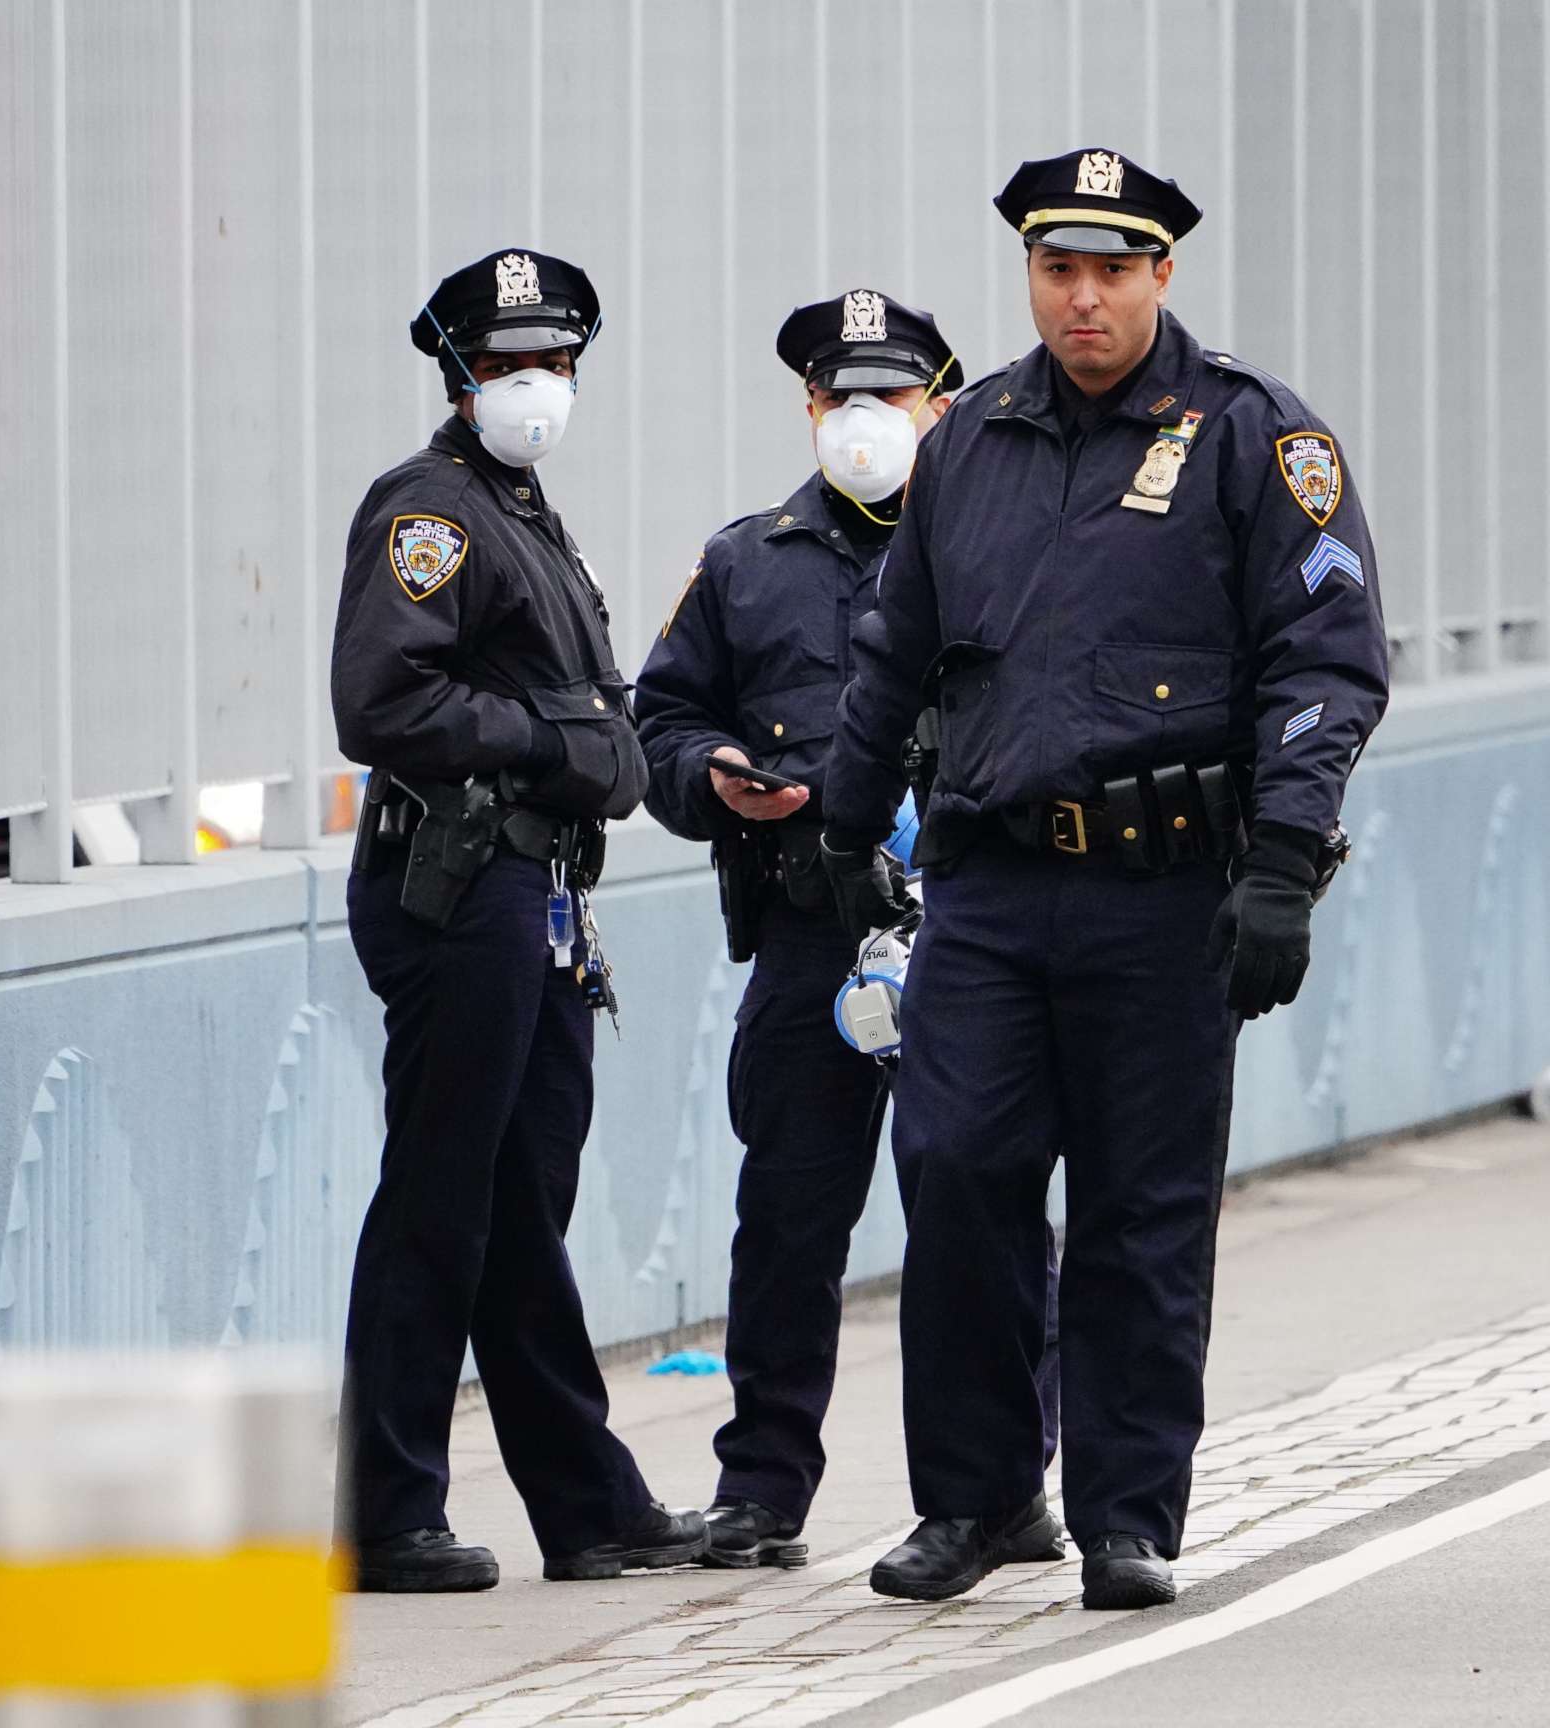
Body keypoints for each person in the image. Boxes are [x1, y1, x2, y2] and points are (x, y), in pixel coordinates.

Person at [822, 148, 1390, 1610]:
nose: (1084, 298)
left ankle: (1129, 1514)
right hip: (994, 889)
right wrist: (843, 816)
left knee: (1142, 1210)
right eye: (1058, 270)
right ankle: (980, 1498)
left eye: (1113, 272)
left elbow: (1327, 659)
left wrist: (1284, 858)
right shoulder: (973, 442)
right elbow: (896, 646)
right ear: (1030, 276)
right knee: (957, 1178)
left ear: (1163, 276)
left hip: (1166, 890)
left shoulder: (1253, 438)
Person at [633, 292, 1061, 1570]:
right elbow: (658, 725)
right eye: (839, 399)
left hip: (971, 928)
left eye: (892, 396)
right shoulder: (744, 563)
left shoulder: (1015, 544)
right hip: (814, 933)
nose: (864, 422)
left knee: (983, 1208)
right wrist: (711, 772)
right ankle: (762, 1489)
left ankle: (1008, 1480)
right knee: (789, 1216)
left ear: (944, 403)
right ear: (808, 409)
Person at [330, 247, 705, 1592]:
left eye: (552, 363)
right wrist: (552, 737)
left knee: (518, 1195)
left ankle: (588, 1504)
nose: (533, 387)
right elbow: (381, 705)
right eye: (505, 366)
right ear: (457, 375)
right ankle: (387, 1512)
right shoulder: (428, 512)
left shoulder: (522, 508)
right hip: (459, 881)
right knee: (443, 1193)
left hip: (535, 894)